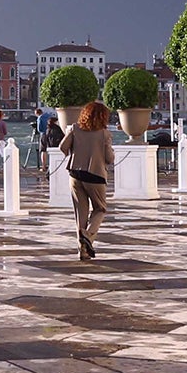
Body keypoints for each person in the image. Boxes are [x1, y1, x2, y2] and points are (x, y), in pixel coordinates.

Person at [59, 102, 115, 261]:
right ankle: (88, 235)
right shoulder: (104, 134)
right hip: (95, 176)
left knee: (80, 214)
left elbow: (62, 147)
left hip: (75, 174)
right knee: (100, 209)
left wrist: (75, 153)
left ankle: (82, 251)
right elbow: (109, 159)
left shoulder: (75, 129)